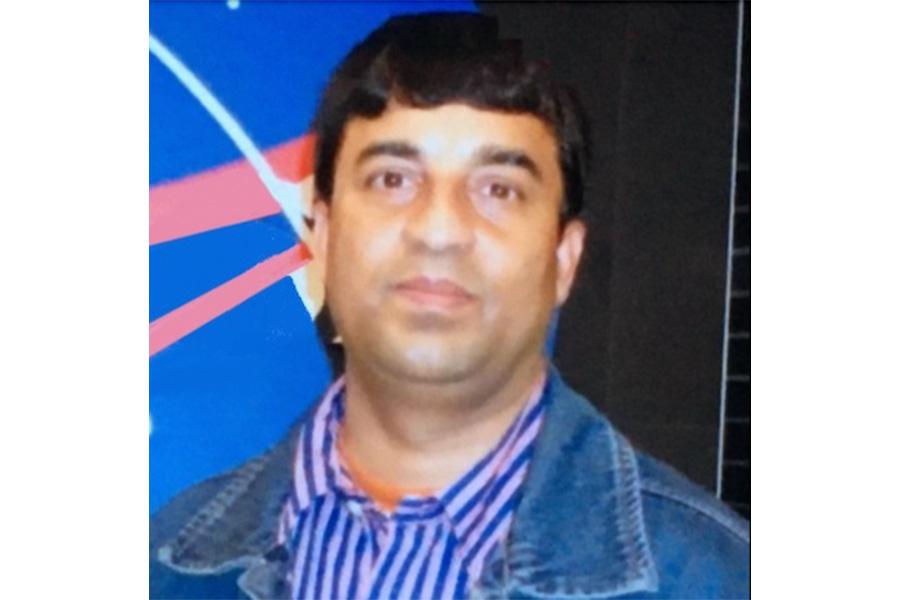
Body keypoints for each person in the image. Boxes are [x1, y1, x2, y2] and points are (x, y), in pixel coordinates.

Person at [150, 11, 749, 600]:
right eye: (392, 179)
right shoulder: (160, 566)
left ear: (563, 260)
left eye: (499, 190)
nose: (439, 229)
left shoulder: (720, 578)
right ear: (323, 238)